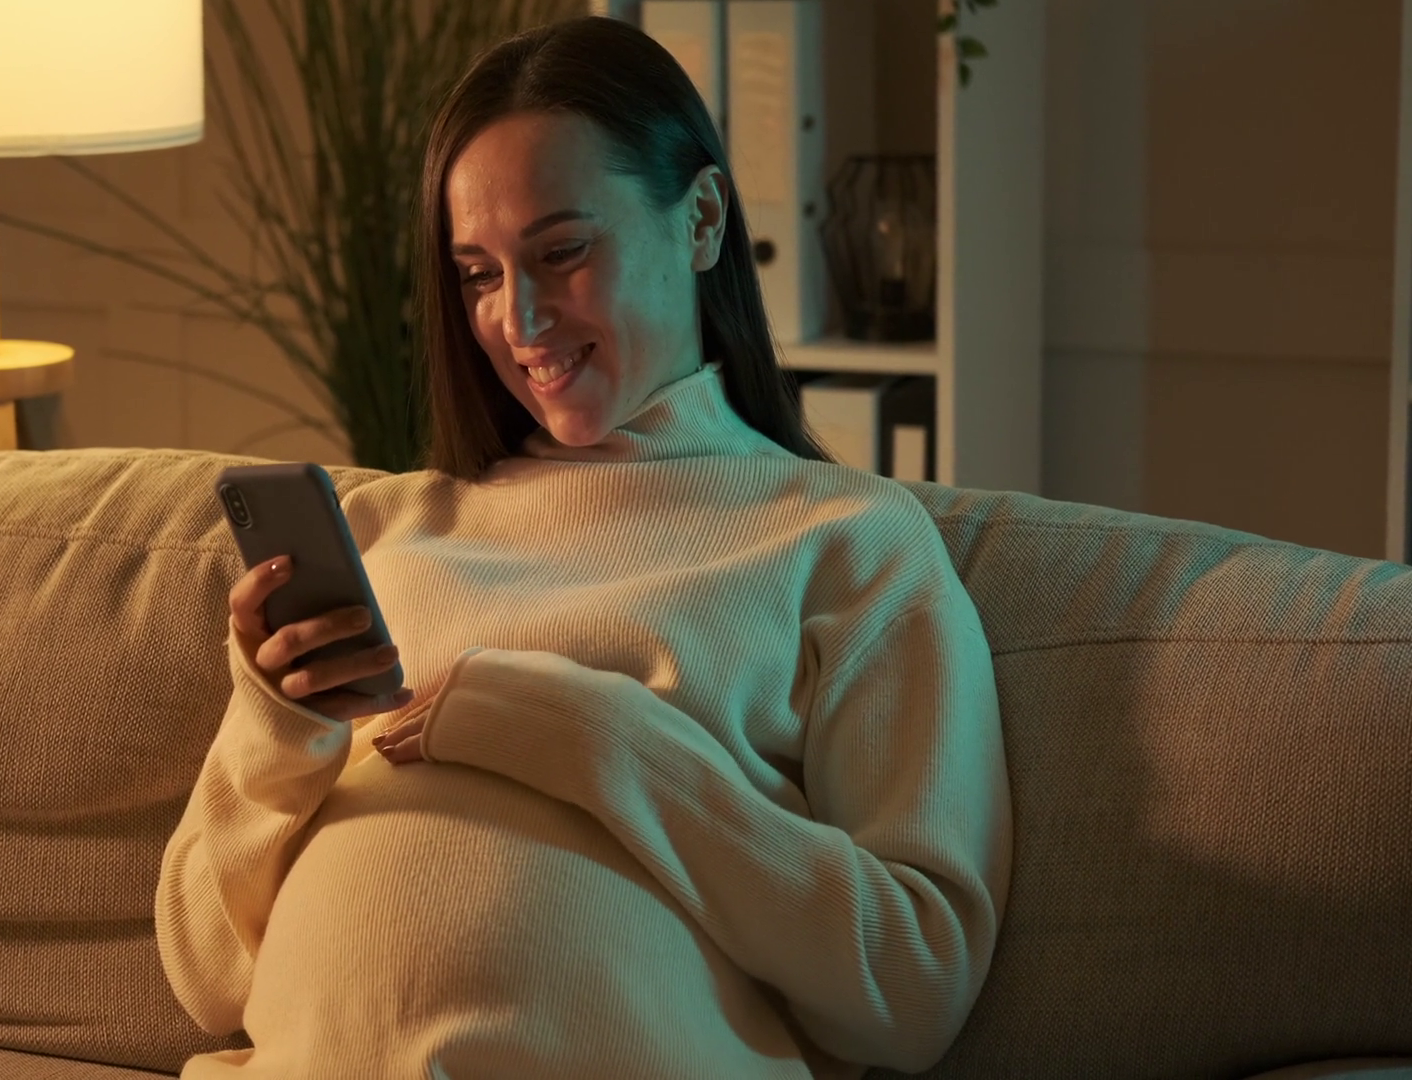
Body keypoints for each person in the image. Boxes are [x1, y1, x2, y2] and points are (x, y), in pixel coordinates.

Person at [155, 14, 1011, 1079]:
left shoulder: (850, 541)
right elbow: (204, 974)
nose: (518, 320)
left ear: (701, 220)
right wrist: (276, 727)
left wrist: (594, 737)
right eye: (477, 274)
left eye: (561, 253)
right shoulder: (390, 527)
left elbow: (913, 987)